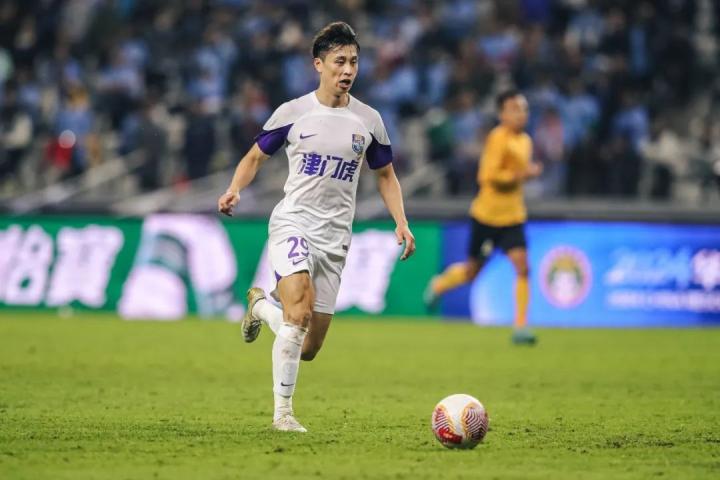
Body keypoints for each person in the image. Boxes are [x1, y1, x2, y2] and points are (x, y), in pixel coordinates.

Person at [217, 22, 416, 432]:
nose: (348, 70)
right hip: (294, 222)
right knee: (298, 310)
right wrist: (235, 189)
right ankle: (283, 415)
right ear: (319, 65)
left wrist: (401, 221)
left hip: (335, 237)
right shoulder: (293, 112)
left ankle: (260, 307)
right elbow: (254, 157)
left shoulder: (369, 120)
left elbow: (385, 175)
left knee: (308, 346)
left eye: (354, 62)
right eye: (339, 61)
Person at [424, 89, 541, 345]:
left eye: (524, 109)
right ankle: (439, 285)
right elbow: (487, 177)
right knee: (471, 272)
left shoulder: (525, 141)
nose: (521, 114)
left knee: (523, 267)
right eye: (514, 109)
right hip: (487, 217)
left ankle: (521, 327)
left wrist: (523, 174)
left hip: (513, 217)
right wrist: (521, 175)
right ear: (502, 114)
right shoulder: (497, 138)